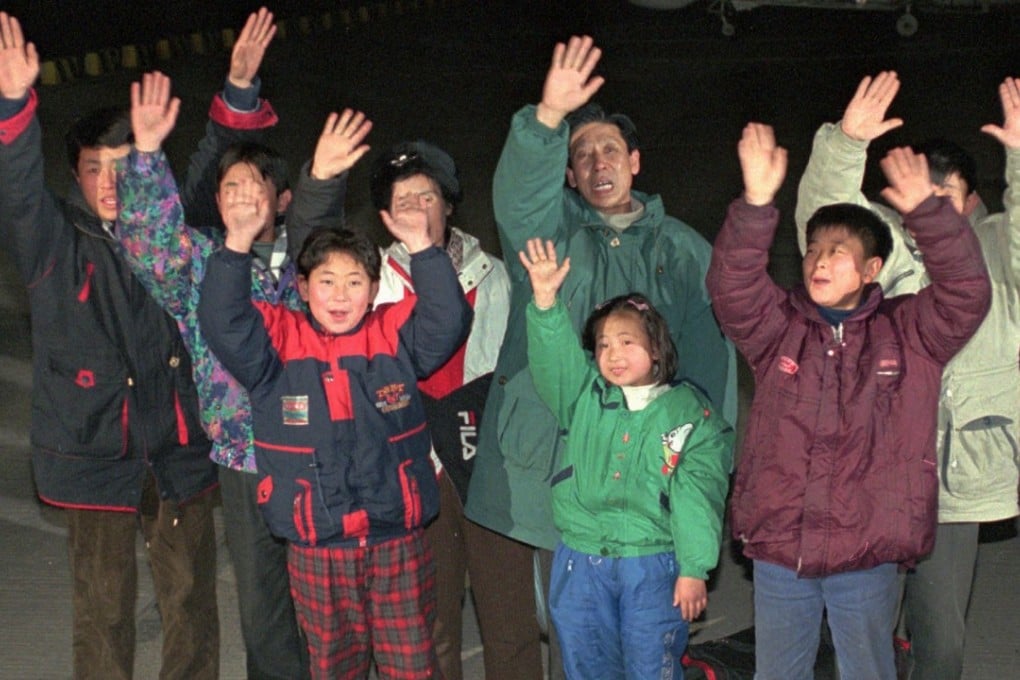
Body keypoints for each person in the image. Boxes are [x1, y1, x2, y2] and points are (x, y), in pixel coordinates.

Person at [464, 34, 736, 680]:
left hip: (639, 492)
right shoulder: (552, 231)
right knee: (546, 639)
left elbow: (709, 384)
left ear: (635, 161)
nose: (596, 163)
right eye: (581, 155)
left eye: (609, 148)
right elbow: (519, 200)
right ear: (569, 172)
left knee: (629, 652)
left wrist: (698, 485)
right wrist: (546, 121)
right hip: (540, 471)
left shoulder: (683, 251)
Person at [115, 13, 373, 675]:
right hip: (244, 459)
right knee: (264, 610)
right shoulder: (198, 262)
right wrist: (145, 157)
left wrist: (321, 178)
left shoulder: (306, 268)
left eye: (252, 186)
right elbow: (146, 241)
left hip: (318, 450)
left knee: (333, 603)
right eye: (227, 188)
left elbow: (319, 228)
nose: (238, 196)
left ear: (275, 201)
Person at [707, 122, 992, 680]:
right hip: (781, 549)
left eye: (838, 252)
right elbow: (732, 285)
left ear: (871, 270)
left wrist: (928, 214)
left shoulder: (910, 333)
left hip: (867, 554)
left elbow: (967, 291)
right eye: (813, 249)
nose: (818, 261)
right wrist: (757, 202)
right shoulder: (777, 329)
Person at [195, 140, 472, 677]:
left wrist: (423, 250)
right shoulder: (277, 344)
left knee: (412, 665)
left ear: (374, 290)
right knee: (331, 667)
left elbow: (447, 322)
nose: (339, 296)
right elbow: (224, 320)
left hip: (396, 541)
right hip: (319, 548)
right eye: (326, 282)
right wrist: (235, 243)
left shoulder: (393, 333)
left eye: (353, 282)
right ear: (302, 288)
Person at [0, 13, 219, 680]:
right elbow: (18, 193)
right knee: (103, 611)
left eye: (123, 167)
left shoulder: (165, 236)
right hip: (96, 453)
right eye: (94, 168)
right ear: (75, 174)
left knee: (191, 604)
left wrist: (236, 90)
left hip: (178, 446)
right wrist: (13, 108)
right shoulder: (55, 245)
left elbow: (213, 174)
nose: (108, 182)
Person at [795, 71, 1020, 679]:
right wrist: (845, 143)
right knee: (857, 635)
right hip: (871, 478)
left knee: (941, 640)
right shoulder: (882, 251)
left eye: (944, 197)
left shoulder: (1000, 250)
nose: (926, 208)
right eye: (917, 193)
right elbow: (824, 222)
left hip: (955, 484)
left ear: (973, 203)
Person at [517, 236, 733, 679]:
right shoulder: (583, 396)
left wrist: (693, 569)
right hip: (581, 561)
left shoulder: (690, 414)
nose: (613, 354)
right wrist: (544, 303)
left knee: (650, 666)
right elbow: (553, 359)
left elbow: (698, 497)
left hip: (651, 564)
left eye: (627, 342)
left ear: (656, 348)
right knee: (586, 664)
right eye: (603, 345)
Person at [364, 140, 510, 680]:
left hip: (489, 466)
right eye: (403, 200)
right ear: (385, 216)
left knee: (509, 625)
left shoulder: (497, 275)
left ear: (448, 204)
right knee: (432, 626)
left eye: (427, 196)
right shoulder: (371, 283)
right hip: (417, 468)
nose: (416, 210)